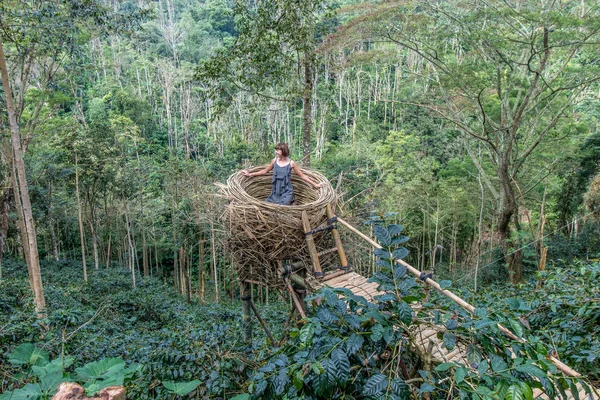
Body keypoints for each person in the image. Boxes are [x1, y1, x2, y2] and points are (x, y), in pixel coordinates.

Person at [241, 142, 324, 205]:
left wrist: (315, 185)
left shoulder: (291, 163)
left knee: (282, 207)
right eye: (276, 150)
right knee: (267, 205)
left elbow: (302, 176)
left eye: (278, 150)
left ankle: (291, 201)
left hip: (287, 191)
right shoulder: (274, 161)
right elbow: (264, 171)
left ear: (283, 151)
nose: (276, 152)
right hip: (275, 192)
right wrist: (249, 174)